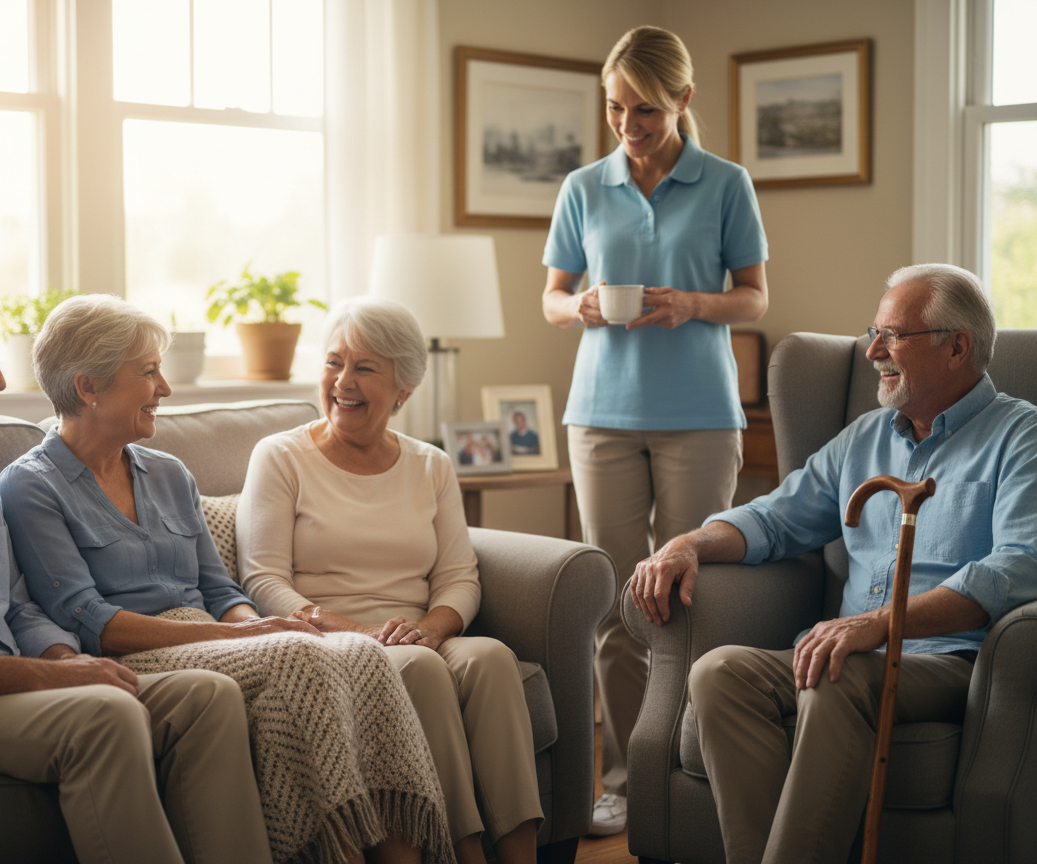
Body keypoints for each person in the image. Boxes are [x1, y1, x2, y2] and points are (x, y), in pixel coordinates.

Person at [0, 294, 452, 864]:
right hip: (138, 652)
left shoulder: (167, 472)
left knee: (352, 652)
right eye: (148, 372)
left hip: (211, 638)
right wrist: (245, 638)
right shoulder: (30, 485)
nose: (163, 388)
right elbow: (91, 620)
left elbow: (220, 591)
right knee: (299, 656)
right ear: (89, 387)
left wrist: (260, 625)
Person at [630, 264, 1037, 864]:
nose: (873, 350)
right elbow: (775, 519)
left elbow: (1019, 566)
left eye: (893, 335)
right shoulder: (865, 436)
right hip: (846, 650)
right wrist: (688, 543)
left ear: (958, 347)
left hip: (952, 660)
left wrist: (879, 625)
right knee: (719, 673)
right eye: (874, 332)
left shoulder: (1020, 436)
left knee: (835, 670)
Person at [0, 274, 265, 864]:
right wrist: (43, 679)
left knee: (207, 695)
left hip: (10, 686)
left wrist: (69, 662)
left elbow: (17, 605)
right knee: (107, 715)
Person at [540, 24, 769, 834]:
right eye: (615, 107)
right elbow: (552, 297)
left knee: (688, 595)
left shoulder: (725, 184)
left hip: (701, 416)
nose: (628, 125)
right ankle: (626, 779)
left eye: (643, 109)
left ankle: (691, 764)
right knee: (610, 600)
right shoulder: (583, 187)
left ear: (683, 100)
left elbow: (755, 297)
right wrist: (583, 307)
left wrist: (692, 304)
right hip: (600, 415)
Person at [240, 296, 543, 864]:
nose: (342, 382)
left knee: (493, 658)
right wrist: (365, 631)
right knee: (421, 665)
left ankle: (521, 855)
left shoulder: (430, 464)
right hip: (332, 640)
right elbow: (263, 580)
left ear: (403, 389)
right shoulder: (280, 456)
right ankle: (464, 851)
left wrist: (430, 627)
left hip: (416, 633)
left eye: (364, 368)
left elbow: (460, 577)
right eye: (333, 363)